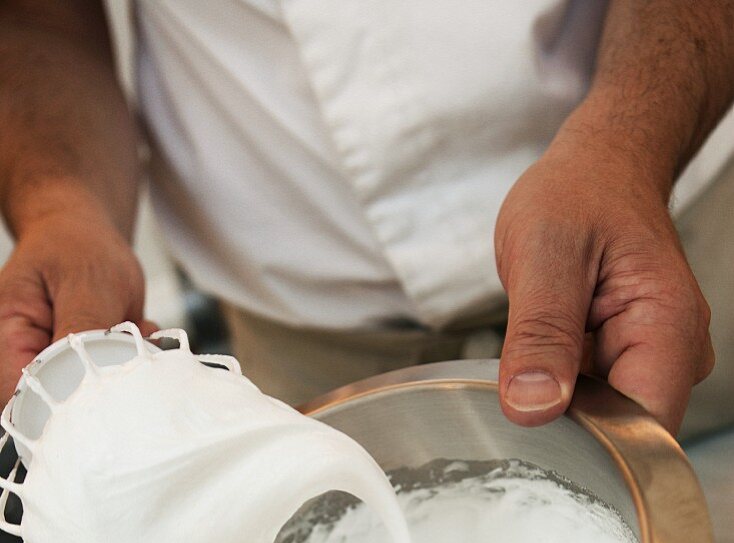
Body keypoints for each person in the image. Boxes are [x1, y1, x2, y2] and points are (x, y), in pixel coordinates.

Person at [0, 1, 733, 436]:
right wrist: (61, 202)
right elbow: (38, 18)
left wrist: (630, 142)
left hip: (659, 255)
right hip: (303, 358)